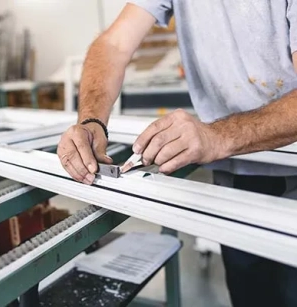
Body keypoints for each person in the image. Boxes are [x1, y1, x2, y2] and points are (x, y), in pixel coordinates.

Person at [57, 1, 297, 306]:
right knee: (251, 292)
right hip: (235, 179)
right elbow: (114, 44)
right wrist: (91, 121)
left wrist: (218, 135)